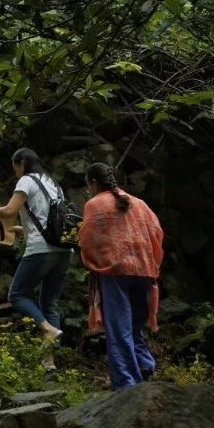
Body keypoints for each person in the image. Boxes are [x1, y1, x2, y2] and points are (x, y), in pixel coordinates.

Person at [78, 162, 164, 390]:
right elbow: (157, 234)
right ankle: (144, 365)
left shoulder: (95, 204)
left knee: (119, 330)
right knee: (134, 327)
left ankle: (127, 384)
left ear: (93, 183)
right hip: (144, 270)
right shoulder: (140, 204)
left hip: (115, 271)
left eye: (89, 186)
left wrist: (94, 262)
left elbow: (87, 239)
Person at [0, 148, 72, 363]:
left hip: (41, 250)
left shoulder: (26, 181)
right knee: (49, 304)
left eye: (15, 167)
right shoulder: (53, 184)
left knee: (17, 295)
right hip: (64, 249)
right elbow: (45, 220)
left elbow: (10, 211)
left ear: (21, 163)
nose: (15, 173)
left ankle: (48, 329)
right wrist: (20, 230)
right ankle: (49, 363)